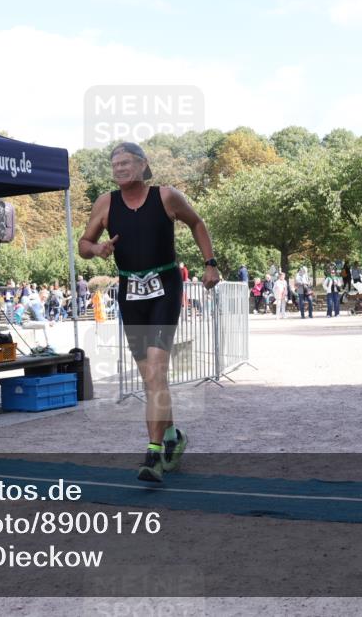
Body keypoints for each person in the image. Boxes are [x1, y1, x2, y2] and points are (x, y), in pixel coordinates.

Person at [78, 141, 219, 482]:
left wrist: (210, 263)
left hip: (164, 287)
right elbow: (83, 245)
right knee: (151, 378)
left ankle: (153, 454)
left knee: (156, 369)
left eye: (126, 163)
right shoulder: (106, 203)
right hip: (130, 291)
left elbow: (197, 222)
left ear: (143, 165)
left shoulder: (166, 196)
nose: (120, 169)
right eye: (115, 165)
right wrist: (97, 249)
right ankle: (173, 437)